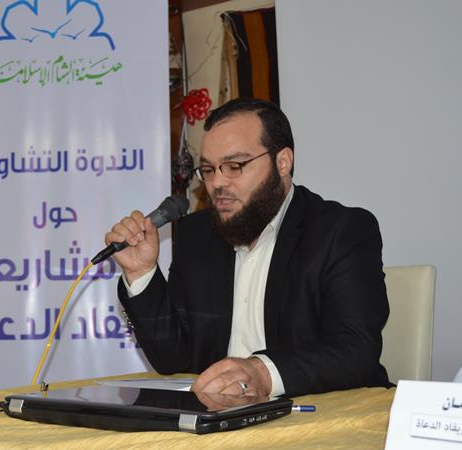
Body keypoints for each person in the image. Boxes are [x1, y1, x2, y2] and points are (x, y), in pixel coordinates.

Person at [104, 97, 391, 398]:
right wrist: (141, 272)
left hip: (317, 411)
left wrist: (263, 373)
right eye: (209, 170)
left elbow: (355, 350)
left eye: (234, 166)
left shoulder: (340, 231)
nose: (217, 183)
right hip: (219, 417)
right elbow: (173, 360)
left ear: (283, 162)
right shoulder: (197, 235)